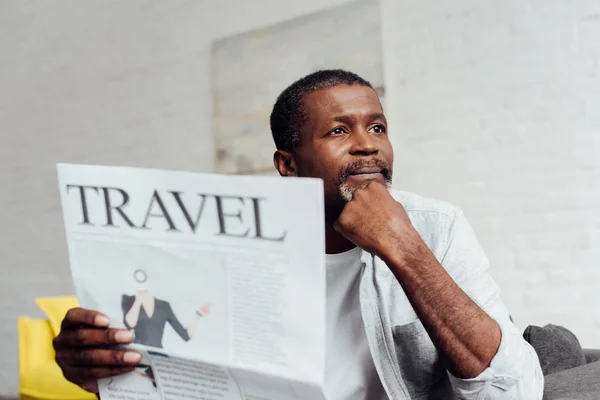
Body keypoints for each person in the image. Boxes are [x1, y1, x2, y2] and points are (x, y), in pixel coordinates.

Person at [53, 69, 544, 399]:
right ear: (288, 165)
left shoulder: (436, 227)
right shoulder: (229, 246)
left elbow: (516, 389)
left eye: (377, 128)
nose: (365, 148)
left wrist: (403, 246)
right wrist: (101, 373)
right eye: (338, 132)